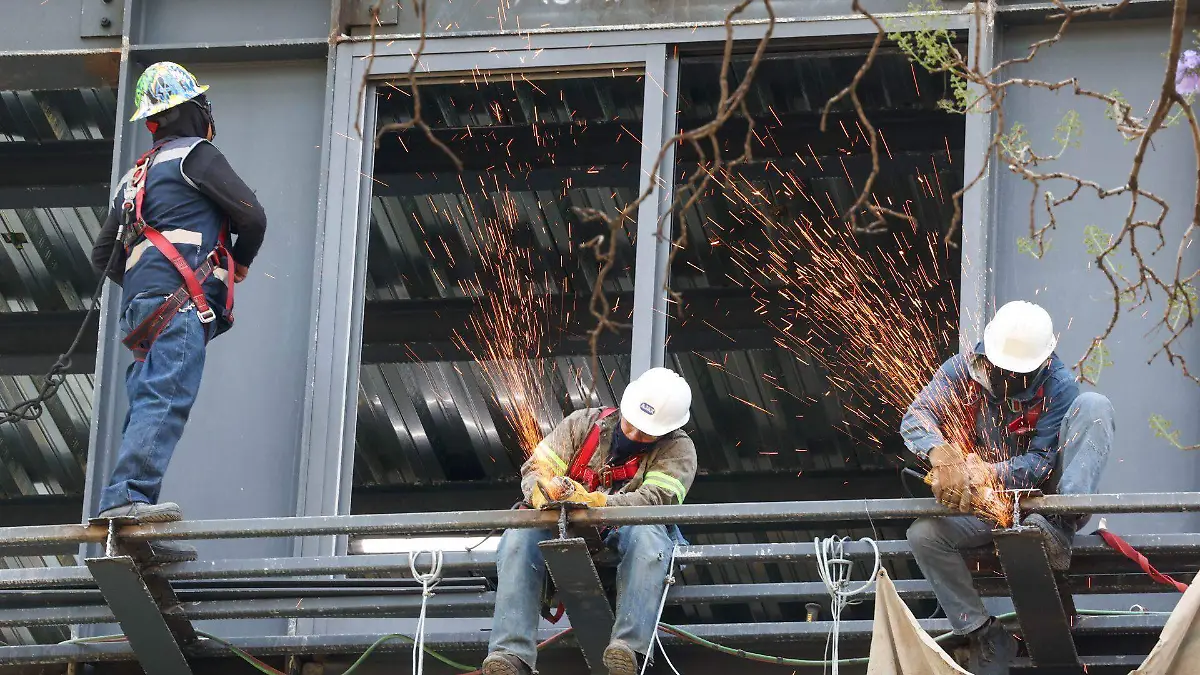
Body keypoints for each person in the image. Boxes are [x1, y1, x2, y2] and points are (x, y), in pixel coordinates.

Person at [89, 62, 267, 562]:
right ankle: (127, 503)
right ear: (194, 111)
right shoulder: (197, 156)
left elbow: (104, 258)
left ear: (153, 123)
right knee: (165, 402)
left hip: (143, 309)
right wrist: (242, 263)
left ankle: (128, 522)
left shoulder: (136, 177)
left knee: (148, 401)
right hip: (179, 307)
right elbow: (252, 215)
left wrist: (150, 286)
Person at [900, 300, 1114, 675]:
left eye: (1019, 375)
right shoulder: (962, 370)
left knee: (1095, 406)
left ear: (1040, 365)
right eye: (1002, 370)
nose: (1007, 381)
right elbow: (916, 417)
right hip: (986, 506)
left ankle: (1059, 529)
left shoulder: (1059, 386)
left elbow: (1040, 462)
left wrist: (988, 472)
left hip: (1041, 508)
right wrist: (942, 453)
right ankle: (981, 631)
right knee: (924, 535)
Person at [481, 367, 697, 675]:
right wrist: (542, 490)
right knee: (520, 533)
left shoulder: (679, 449)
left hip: (629, 549)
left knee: (648, 532)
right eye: (631, 424)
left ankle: (629, 650)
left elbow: (654, 502)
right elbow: (536, 469)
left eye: (646, 432)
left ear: (665, 430)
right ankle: (510, 655)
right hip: (566, 539)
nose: (634, 435)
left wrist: (597, 503)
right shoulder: (583, 424)